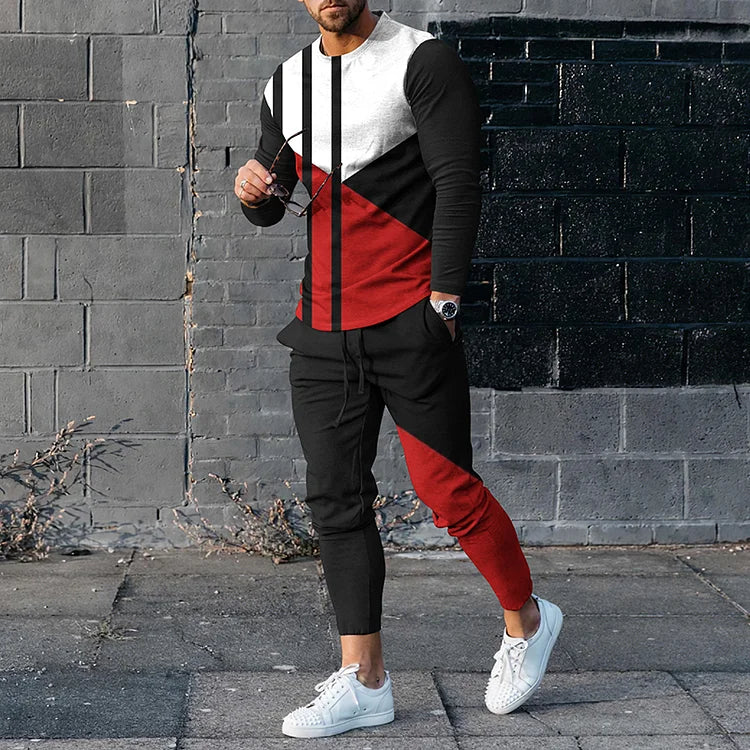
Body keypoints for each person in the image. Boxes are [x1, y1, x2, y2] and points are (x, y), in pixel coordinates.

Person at [234, 0, 563, 739]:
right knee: (336, 498)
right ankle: (365, 682)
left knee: (447, 491)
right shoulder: (287, 81)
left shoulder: (422, 61)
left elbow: (459, 182)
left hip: (410, 319)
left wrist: (443, 303)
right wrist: (255, 191)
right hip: (323, 328)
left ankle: (527, 619)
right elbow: (280, 199)